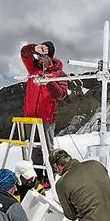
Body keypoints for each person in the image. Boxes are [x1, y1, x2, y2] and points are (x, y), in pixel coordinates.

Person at [20, 41, 69, 189]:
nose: (39, 58)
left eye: (43, 55)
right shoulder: (33, 68)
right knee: (34, 149)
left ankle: (49, 177)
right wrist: (34, 47)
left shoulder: (59, 73)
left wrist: (49, 83)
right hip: (30, 117)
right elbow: (24, 53)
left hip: (46, 118)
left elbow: (61, 94)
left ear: (50, 57)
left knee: (47, 149)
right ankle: (37, 177)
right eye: (38, 54)